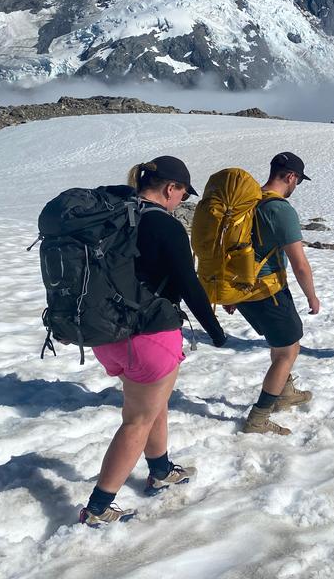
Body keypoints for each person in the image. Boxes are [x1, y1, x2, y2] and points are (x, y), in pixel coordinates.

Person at [80, 156, 227, 527]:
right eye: (182, 194)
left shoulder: (114, 216)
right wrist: (215, 330)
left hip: (108, 333)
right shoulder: (164, 225)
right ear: (170, 188)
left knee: (154, 403)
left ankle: (161, 470)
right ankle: (98, 508)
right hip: (149, 334)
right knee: (138, 420)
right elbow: (188, 283)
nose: (181, 201)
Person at [225, 152, 320, 435]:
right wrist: (311, 297)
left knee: (281, 344)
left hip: (242, 289)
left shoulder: (247, 200)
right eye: (298, 181)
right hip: (267, 290)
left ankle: (285, 391)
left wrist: (230, 292)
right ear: (291, 177)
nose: (296, 186)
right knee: (288, 350)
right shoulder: (280, 209)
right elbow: (299, 263)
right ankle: (259, 418)